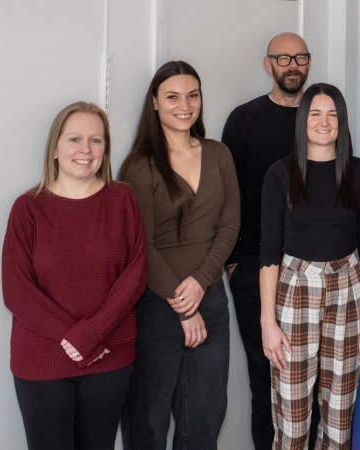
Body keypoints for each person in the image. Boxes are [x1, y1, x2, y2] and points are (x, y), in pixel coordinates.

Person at [2, 101, 147, 450]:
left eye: (96, 141)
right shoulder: (28, 208)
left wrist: (93, 334)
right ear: (55, 148)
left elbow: (135, 274)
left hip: (108, 355)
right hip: (42, 358)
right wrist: (77, 337)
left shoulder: (123, 199)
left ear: (105, 149)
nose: (85, 149)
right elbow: (16, 289)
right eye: (74, 139)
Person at [119, 60, 240, 449]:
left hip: (212, 297)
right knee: (148, 422)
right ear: (154, 102)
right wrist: (184, 306)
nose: (184, 105)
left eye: (193, 95)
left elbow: (229, 226)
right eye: (172, 96)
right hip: (156, 306)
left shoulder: (219, 154)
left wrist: (202, 283)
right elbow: (141, 245)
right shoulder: (139, 166)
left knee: (204, 418)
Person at [259, 83, 360, 449]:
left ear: (342, 123)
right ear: (303, 120)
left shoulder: (359, 173)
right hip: (295, 292)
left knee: (339, 418)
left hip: (349, 292)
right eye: (315, 113)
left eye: (333, 115)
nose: (324, 122)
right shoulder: (280, 174)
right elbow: (268, 252)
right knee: (293, 420)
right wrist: (267, 321)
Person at [221, 31, 313, 450]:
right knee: (265, 377)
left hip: (314, 268)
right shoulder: (243, 120)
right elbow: (228, 194)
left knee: (310, 378)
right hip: (255, 263)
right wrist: (234, 261)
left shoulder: (322, 117)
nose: (293, 65)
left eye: (301, 58)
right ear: (268, 64)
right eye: (284, 58)